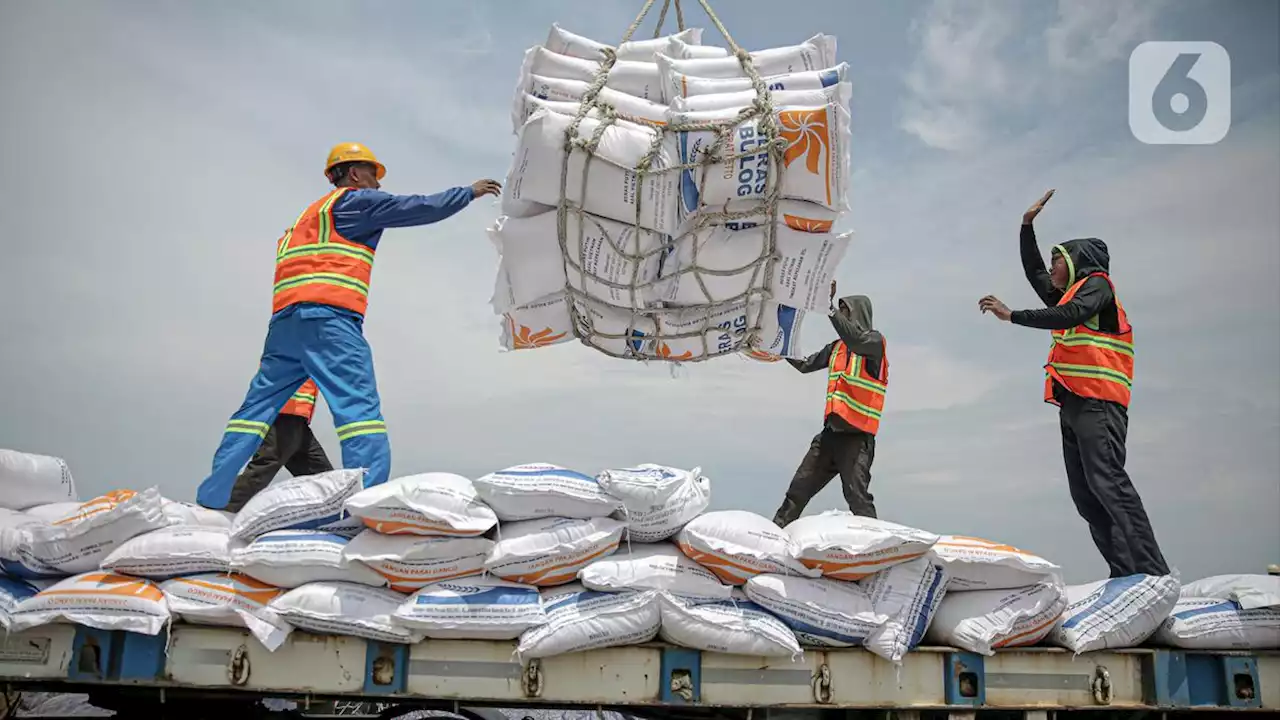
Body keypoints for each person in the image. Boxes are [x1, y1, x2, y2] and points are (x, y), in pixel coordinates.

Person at [196, 143, 502, 510]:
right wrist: (467, 193)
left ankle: (212, 497)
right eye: (373, 173)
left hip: (283, 326)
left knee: (252, 414)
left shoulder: (305, 220)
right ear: (354, 174)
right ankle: (365, 503)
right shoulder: (355, 202)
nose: (377, 182)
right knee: (358, 412)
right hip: (329, 322)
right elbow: (415, 207)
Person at [978, 189, 1170, 578]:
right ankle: (1125, 573)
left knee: (1109, 483)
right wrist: (1025, 227)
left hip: (1099, 402)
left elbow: (1069, 314)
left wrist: (1011, 315)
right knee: (1086, 495)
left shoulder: (1098, 285)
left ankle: (1153, 574)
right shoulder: (1068, 291)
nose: (1050, 268)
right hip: (1074, 404)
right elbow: (1036, 277)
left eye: (1057, 260)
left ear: (1076, 262)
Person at [772, 281, 888, 526]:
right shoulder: (837, 348)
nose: (842, 319)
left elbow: (855, 338)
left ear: (858, 314)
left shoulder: (874, 344)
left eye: (845, 312)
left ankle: (876, 551)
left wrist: (828, 307)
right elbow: (805, 364)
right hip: (829, 437)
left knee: (857, 499)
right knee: (798, 490)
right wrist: (778, 347)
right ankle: (774, 535)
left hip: (856, 440)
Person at [222, 379, 333, 513]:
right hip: (284, 414)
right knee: (266, 465)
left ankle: (340, 513)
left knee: (323, 477)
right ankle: (225, 508)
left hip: (297, 418)